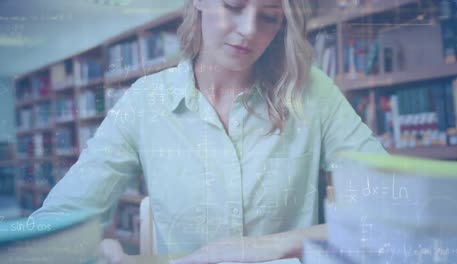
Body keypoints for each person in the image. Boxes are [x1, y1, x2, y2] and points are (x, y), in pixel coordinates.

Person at [30, 0, 387, 263]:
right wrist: (88, 247)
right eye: (234, 5)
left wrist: (268, 246)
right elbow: (55, 224)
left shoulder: (312, 92)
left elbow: (393, 207)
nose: (249, 30)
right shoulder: (144, 101)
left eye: (268, 17)